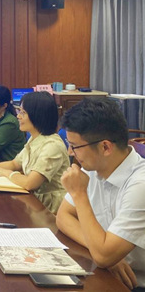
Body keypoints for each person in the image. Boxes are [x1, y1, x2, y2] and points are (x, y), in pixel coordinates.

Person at [56, 97, 145, 290]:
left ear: (105, 147)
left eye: (75, 146)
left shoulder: (140, 185)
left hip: (134, 285)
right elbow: (63, 217)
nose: (70, 152)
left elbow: (103, 256)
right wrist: (102, 250)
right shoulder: (94, 168)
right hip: (106, 273)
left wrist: (79, 194)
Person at [0, 92, 69, 213]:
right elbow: (15, 163)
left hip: (51, 210)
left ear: (38, 116)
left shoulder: (52, 145)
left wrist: (6, 173)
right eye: (19, 111)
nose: (18, 116)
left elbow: (30, 183)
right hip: (33, 203)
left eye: (23, 113)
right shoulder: (35, 138)